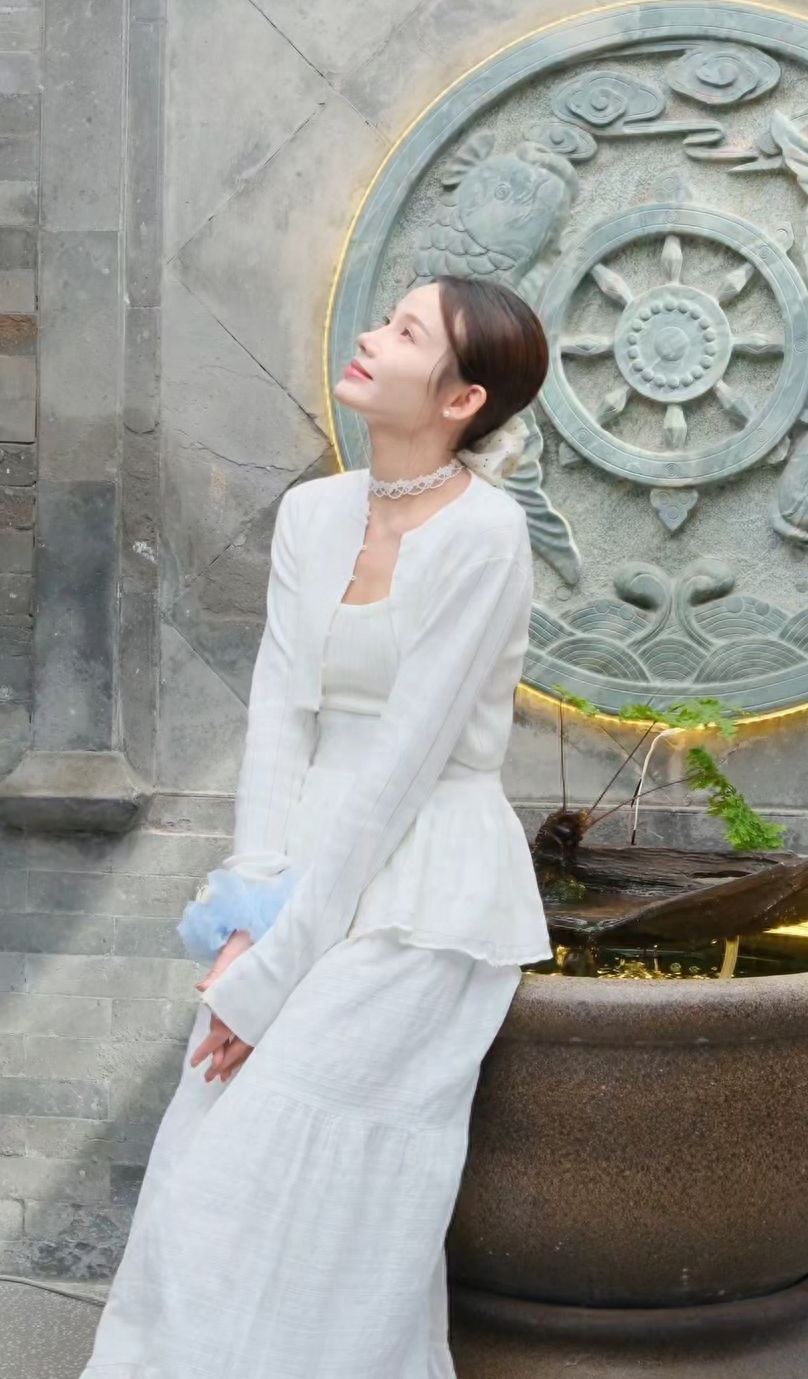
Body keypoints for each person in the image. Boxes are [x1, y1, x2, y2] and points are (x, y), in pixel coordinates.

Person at [79, 274, 555, 1379]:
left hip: (427, 900)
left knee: (300, 1184)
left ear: (461, 399)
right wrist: (249, 920)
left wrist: (274, 971)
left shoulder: (487, 536)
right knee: (203, 1179)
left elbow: (401, 768)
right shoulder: (315, 513)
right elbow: (279, 716)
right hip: (302, 881)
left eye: (405, 333)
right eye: (386, 318)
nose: (371, 338)